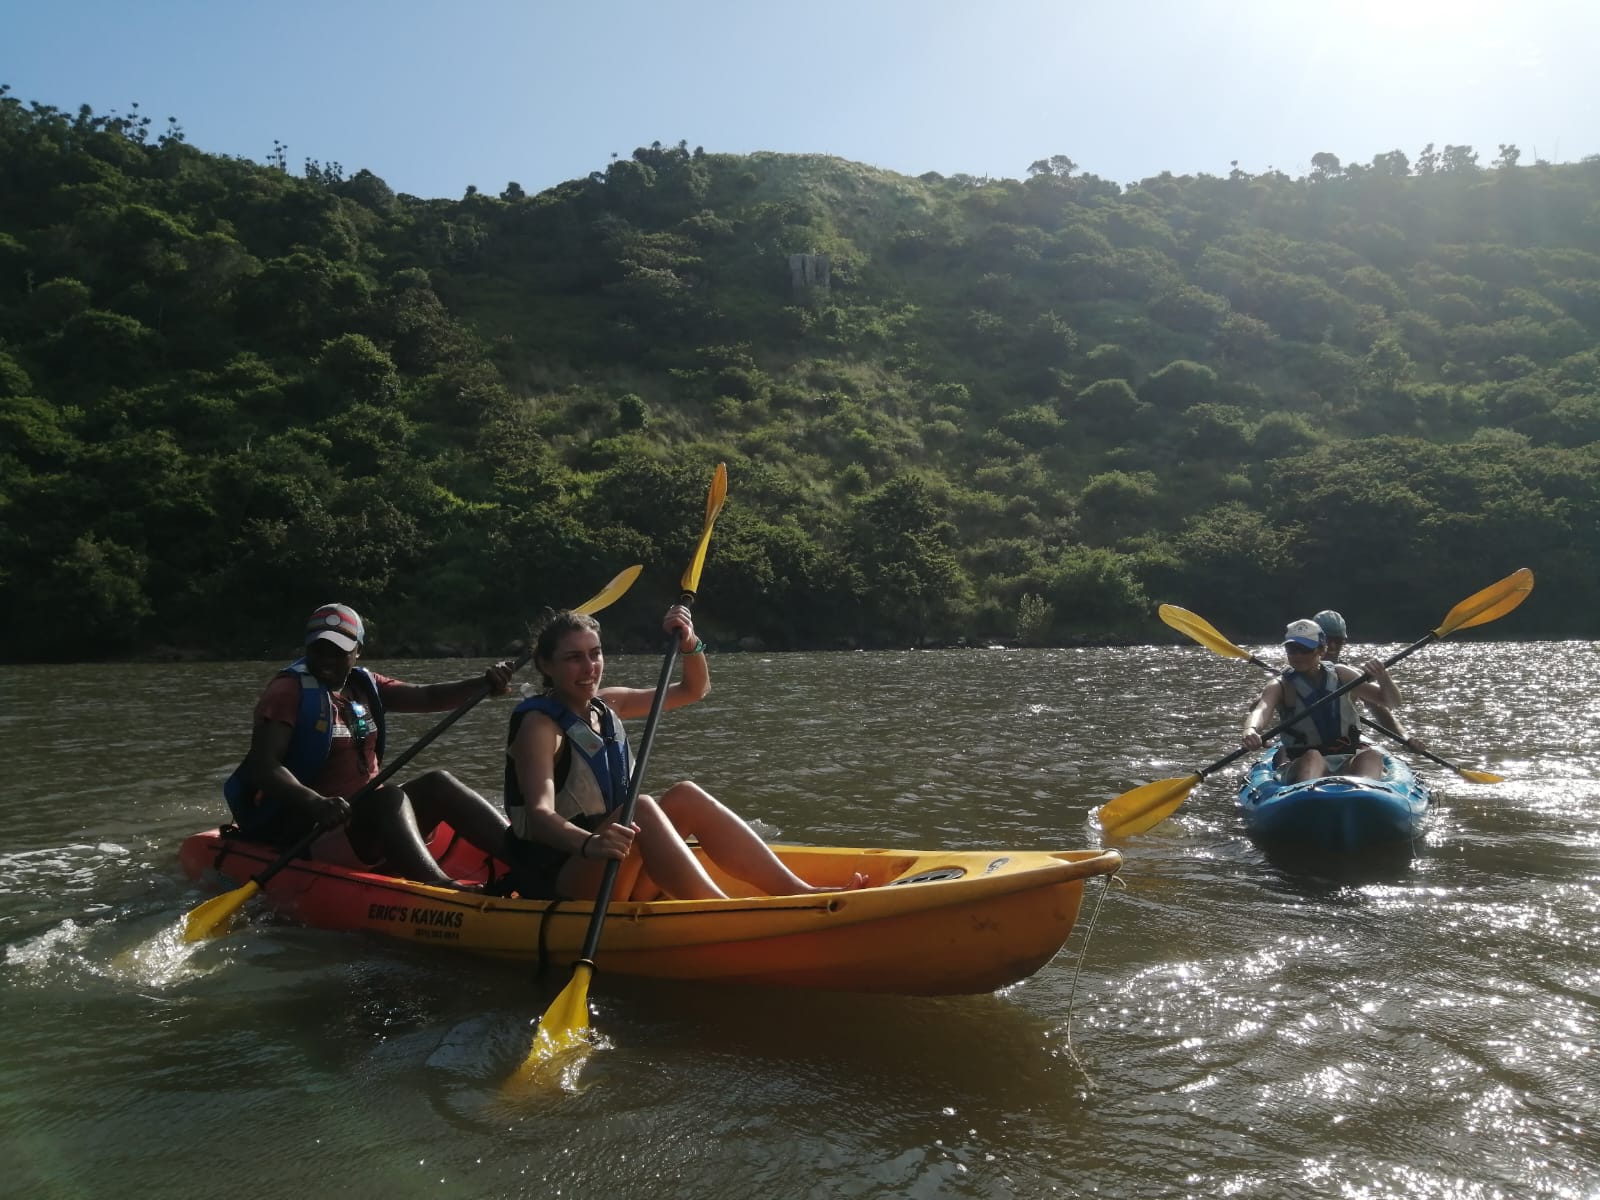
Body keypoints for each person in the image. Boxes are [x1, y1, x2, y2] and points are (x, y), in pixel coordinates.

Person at [503, 604, 865, 901]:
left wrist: (690, 641)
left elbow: (694, 689)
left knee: (684, 795)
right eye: (573, 658)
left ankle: (797, 892)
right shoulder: (540, 726)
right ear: (546, 665)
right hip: (564, 879)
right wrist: (591, 844)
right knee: (641, 806)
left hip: (614, 867)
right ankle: (720, 912)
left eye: (595, 654)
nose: (589, 668)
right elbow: (538, 815)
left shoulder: (605, 704)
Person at [223, 602, 532, 890]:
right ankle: (445, 892)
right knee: (389, 799)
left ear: (358, 651)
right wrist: (316, 802)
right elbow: (266, 767)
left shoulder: (363, 684)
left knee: (439, 782)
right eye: (319, 649)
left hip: (362, 824)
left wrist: (483, 684)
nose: (327, 659)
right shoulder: (287, 692)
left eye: (338, 651)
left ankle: (530, 862)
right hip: (310, 828)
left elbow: (426, 697)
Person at [1239, 618, 1402, 782]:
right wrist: (1251, 730)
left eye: (1304, 649)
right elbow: (1261, 709)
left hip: (1345, 757)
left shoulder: (1342, 674)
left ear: (1321, 651)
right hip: (1301, 761)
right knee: (1313, 756)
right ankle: (1308, 794)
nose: (1297, 655)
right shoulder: (1281, 685)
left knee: (1371, 756)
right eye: (1291, 649)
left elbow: (1392, 703)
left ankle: (1366, 793)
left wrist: (1383, 678)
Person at [1312, 609, 1427, 752]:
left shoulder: (1351, 676)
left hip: (1341, 743)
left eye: (1338, 640)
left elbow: (1383, 710)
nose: (1333, 646)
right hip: (1306, 745)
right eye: (1328, 640)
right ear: (1316, 641)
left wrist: (1405, 738)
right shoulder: (1294, 673)